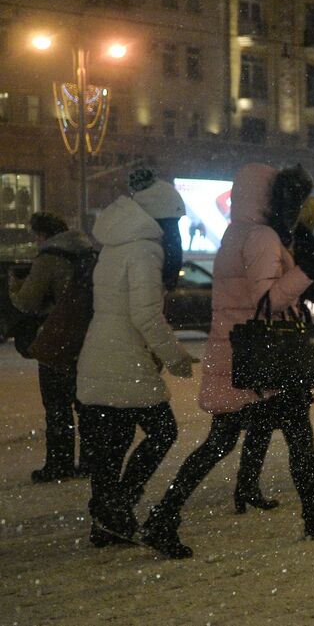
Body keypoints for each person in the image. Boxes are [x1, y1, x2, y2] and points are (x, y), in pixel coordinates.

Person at [141, 164, 314, 559]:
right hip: (260, 359)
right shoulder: (260, 237)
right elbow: (268, 301)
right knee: (282, 434)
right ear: (267, 196)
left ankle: (165, 515)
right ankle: (313, 515)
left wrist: (303, 268)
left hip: (241, 354)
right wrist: (309, 270)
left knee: (228, 440)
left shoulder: (236, 233)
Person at [77, 172, 195, 545]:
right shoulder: (145, 248)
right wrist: (175, 358)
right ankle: (118, 507)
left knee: (111, 444)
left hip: (99, 355)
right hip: (126, 359)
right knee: (163, 431)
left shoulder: (115, 244)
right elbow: (144, 315)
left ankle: (107, 518)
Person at [229, 179, 314, 514]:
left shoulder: (257, 234)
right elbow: (309, 292)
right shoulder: (290, 239)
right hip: (284, 333)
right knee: (291, 415)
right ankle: (311, 500)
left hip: (271, 334)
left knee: (268, 416)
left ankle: (251, 485)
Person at [9, 212, 94, 482]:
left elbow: (28, 302)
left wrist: (15, 286)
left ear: (43, 235)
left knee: (57, 406)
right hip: (89, 337)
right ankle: (91, 462)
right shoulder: (89, 253)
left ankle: (59, 465)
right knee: (85, 404)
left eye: (36, 235)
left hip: (57, 338)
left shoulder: (49, 258)